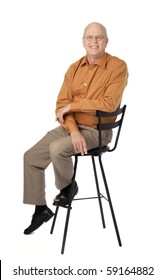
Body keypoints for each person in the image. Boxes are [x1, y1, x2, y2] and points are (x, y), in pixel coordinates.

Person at [23, 22, 128, 234]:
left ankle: (68, 187)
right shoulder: (74, 68)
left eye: (99, 37)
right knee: (31, 156)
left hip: (98, 132)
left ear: (106, 41)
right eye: (89, 37)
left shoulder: (118, 67)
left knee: (57, 148)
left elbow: (108, 103)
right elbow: (61, 105)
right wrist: (73, 129)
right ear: (83, 41)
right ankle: (41, 209)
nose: (94, 41)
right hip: (72, 128)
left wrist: (74, 105)